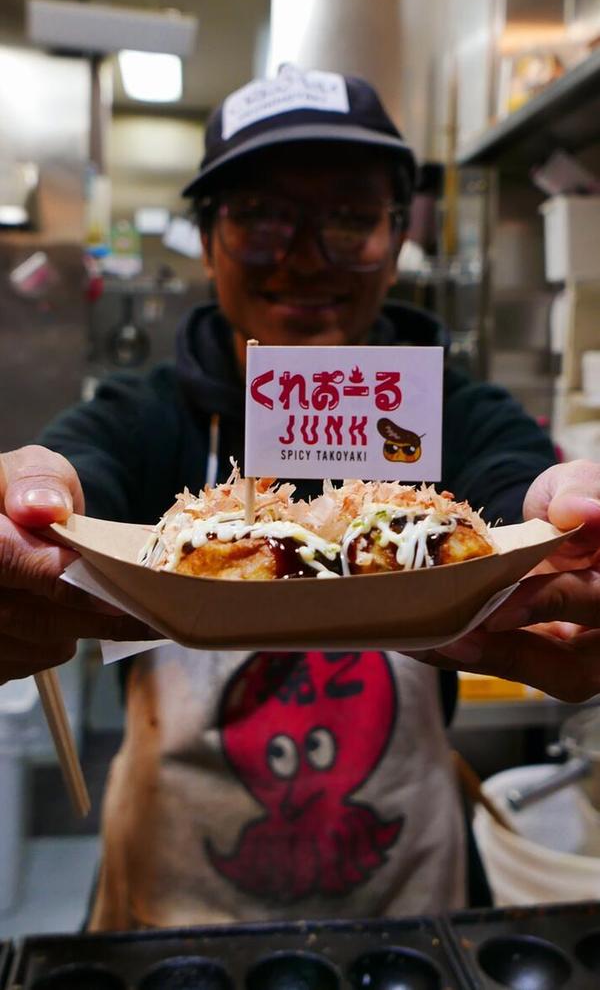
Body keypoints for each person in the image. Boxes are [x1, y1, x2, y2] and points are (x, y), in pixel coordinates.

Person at [0, 64, 598, 930]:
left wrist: (564, 530)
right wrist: (28, 517)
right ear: (208, 239)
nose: (307, 257)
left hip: (407, 916)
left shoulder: (451, 413)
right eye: (262, 216)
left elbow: (518, 490)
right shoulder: (143, 417)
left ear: (397, 241)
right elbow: (70, 479)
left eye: (352, 218)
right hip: (172, 915)